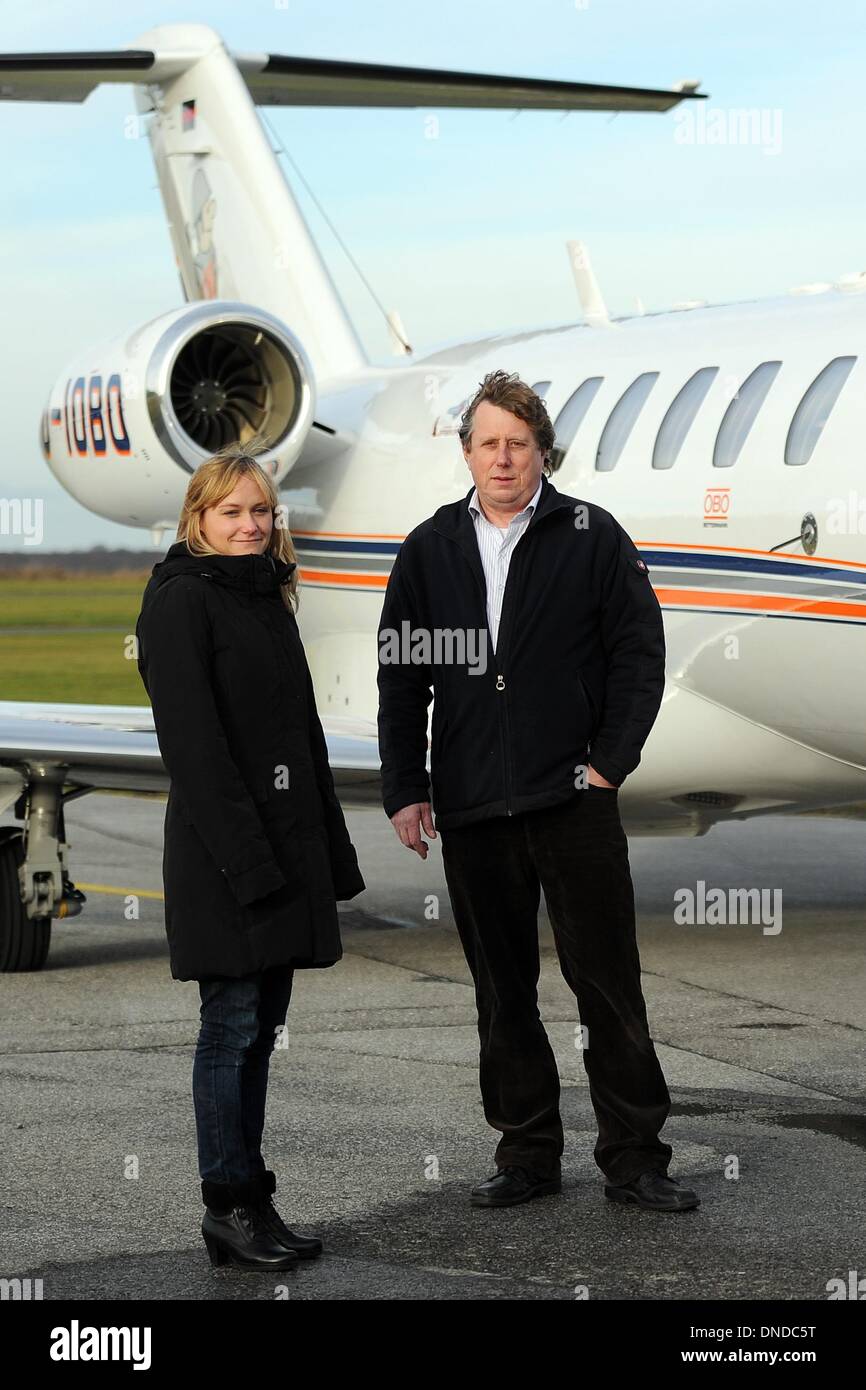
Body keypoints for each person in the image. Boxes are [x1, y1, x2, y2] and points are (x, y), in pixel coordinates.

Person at [376, 369, 698, 1213]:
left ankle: (635, 1159)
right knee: (502, 992)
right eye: (490, 443)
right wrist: (407, 786)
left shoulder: (590, 536)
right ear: (467, 452)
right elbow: (403, 680)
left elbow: (639, 654)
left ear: (543, 451)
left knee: (610, 987)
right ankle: (526, 1155)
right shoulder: (429, 549)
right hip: (474, 804)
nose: (505, 458)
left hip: (574, 803)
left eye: (520, 443)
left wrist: (608, 764)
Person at [135, 439, 365, 1271]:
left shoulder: (266, 596)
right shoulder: (180, 603)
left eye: (260, 510)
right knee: (229, 1030)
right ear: (198, 519)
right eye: (231, 511)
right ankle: (227, 1205)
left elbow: (302, 744)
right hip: (226, 864)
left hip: (280, 857)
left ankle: (251, 1201)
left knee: (259, 1032)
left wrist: (328, 856)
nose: (249, 524)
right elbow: (196, 755)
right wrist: (253, 868)